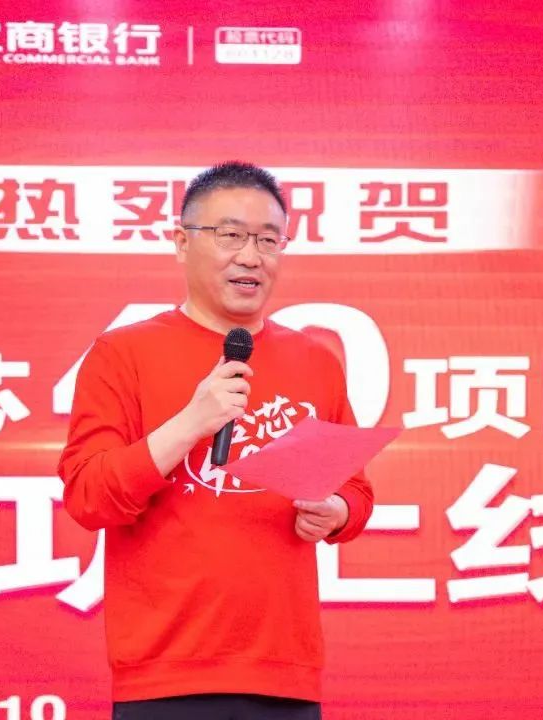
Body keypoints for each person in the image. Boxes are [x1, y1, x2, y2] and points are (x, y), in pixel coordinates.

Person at [58, 161, 375, 720]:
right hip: (165, 672)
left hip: (284, 671)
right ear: (182, 242)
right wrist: (190, 423)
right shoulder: (122, 354)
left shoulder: (316, 361)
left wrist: (337, 512)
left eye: (268, 240)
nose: (251, 257)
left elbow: (356, 491)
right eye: (230, 235)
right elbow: (88, 497)